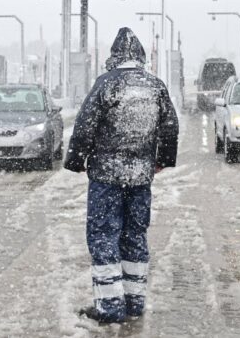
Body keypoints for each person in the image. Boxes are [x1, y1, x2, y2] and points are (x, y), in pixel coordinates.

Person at [64, 27, 179, 324]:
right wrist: (162, 160)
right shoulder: (156, 86)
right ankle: (135, 302)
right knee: (135, 236)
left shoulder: (106, 84)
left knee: (104, 235)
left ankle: (109, 306)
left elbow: (85, 125)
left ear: (114, 57)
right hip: (140, 178)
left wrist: (76, 160)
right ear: (139, 56)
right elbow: (170, 126)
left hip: (106, 177)